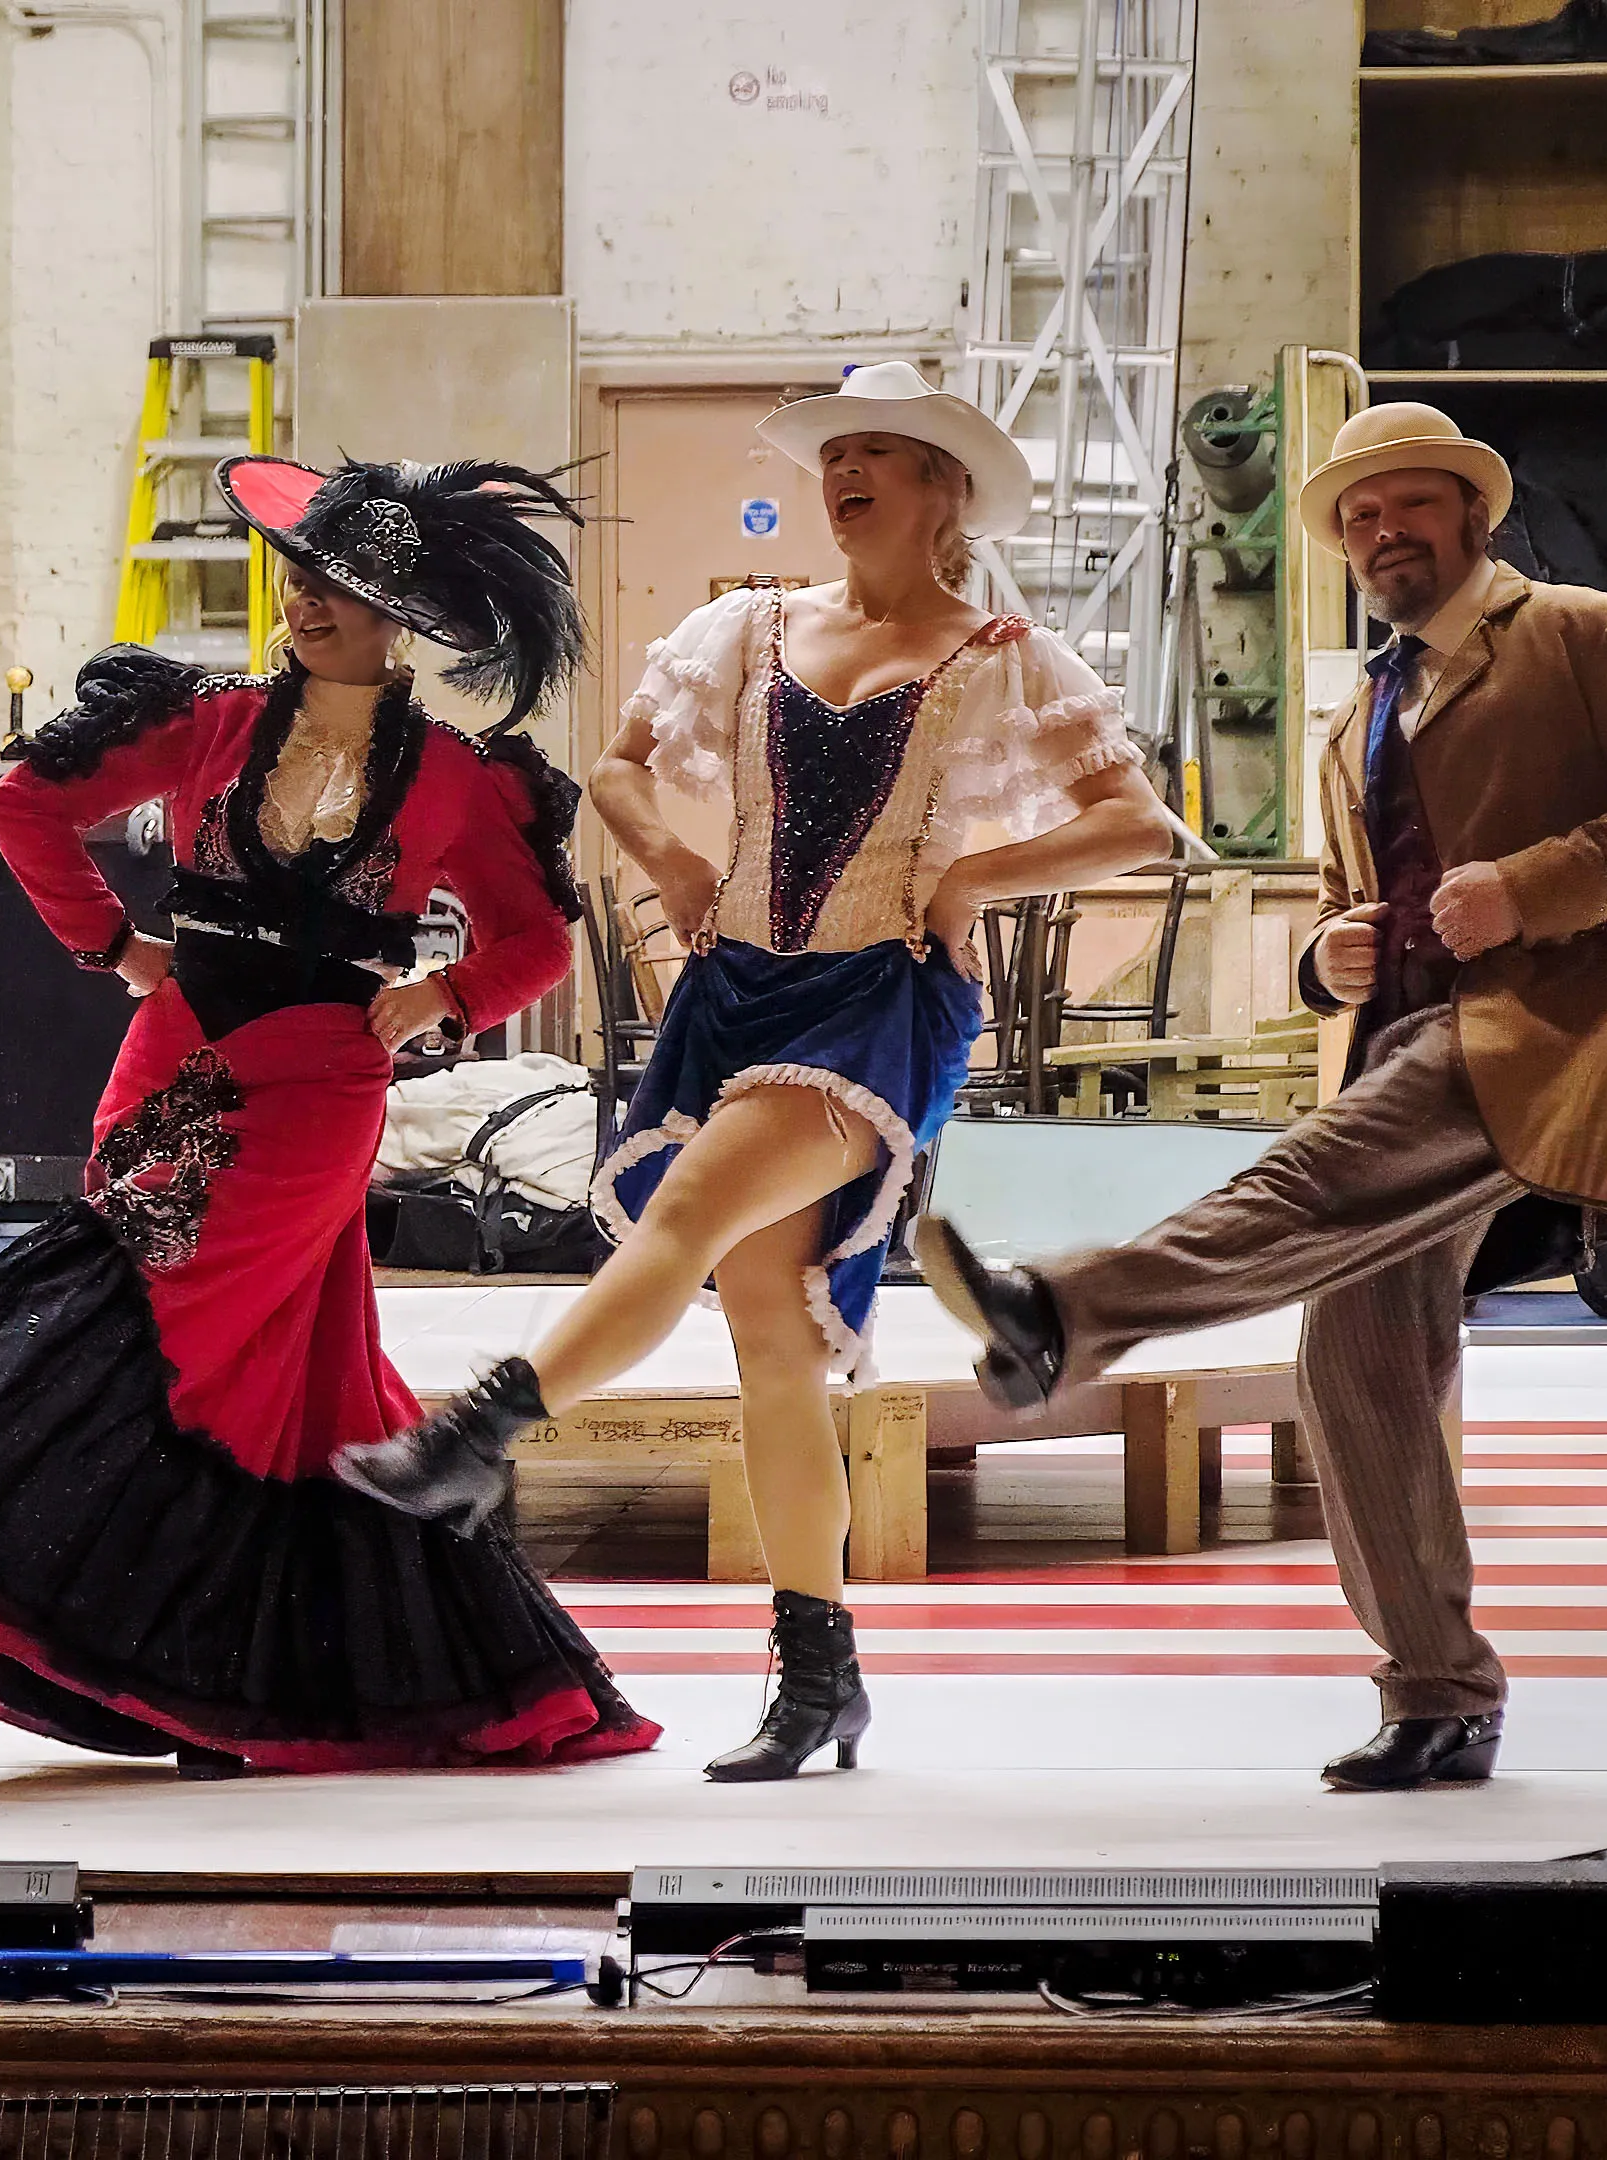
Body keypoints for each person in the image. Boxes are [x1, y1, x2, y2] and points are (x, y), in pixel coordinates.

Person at [341, 363, 1173, 1782]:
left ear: (942, 492)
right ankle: (818, 1675)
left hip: (879, 1009)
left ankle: (480, 1432)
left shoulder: (1006, 655)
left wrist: (976, 873)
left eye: (877, 455)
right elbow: (615, 769)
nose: (843, 472)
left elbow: (1135, 824)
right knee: (773, 1351)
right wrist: (673, 860)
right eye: (833, 452)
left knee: (690, 1211)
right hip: (737, 994)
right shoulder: (747, 627)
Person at [919, 401, 1607, 1792]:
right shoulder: (1362, 705)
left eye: (1408, 506)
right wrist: (1323, 953)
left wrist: (1528, 889)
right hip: (1402, 1036)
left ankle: (1061, 1311)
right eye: (1359, 520)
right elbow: (1351, 899)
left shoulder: (1591, 635)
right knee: (1355, 1362)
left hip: (1530, 1038)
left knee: (1298, 1185)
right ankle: (1440, 1695)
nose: (1381, 533)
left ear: (1473, 515)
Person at [0, 453, 657, 1776]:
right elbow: (22, 807)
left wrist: (439, 994)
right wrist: (113, 946)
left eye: (343, 586)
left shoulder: (453, 775)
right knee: (273, 1384)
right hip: (176, 1046)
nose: (307, 599)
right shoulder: (205, 719)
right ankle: (222, 1681)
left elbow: (536, 943)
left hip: (323, 1079)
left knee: (171, 1283)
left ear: (401, 619)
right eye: (301, 574)